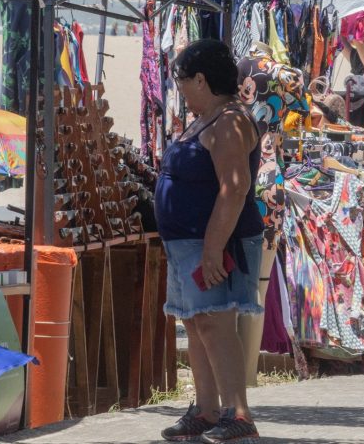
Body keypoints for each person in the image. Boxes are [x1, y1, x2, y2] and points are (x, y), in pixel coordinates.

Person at [155, 39, 264, 443]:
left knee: (216, 322)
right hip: (189, 243)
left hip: (215, 243)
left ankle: (238, 414)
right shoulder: (208, 117)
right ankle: (205, 409)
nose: (179, 88)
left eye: (182, 80)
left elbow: (234, 188)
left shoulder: (231, 122)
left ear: (202, 79)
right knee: (197, 322)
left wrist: (213, 247)